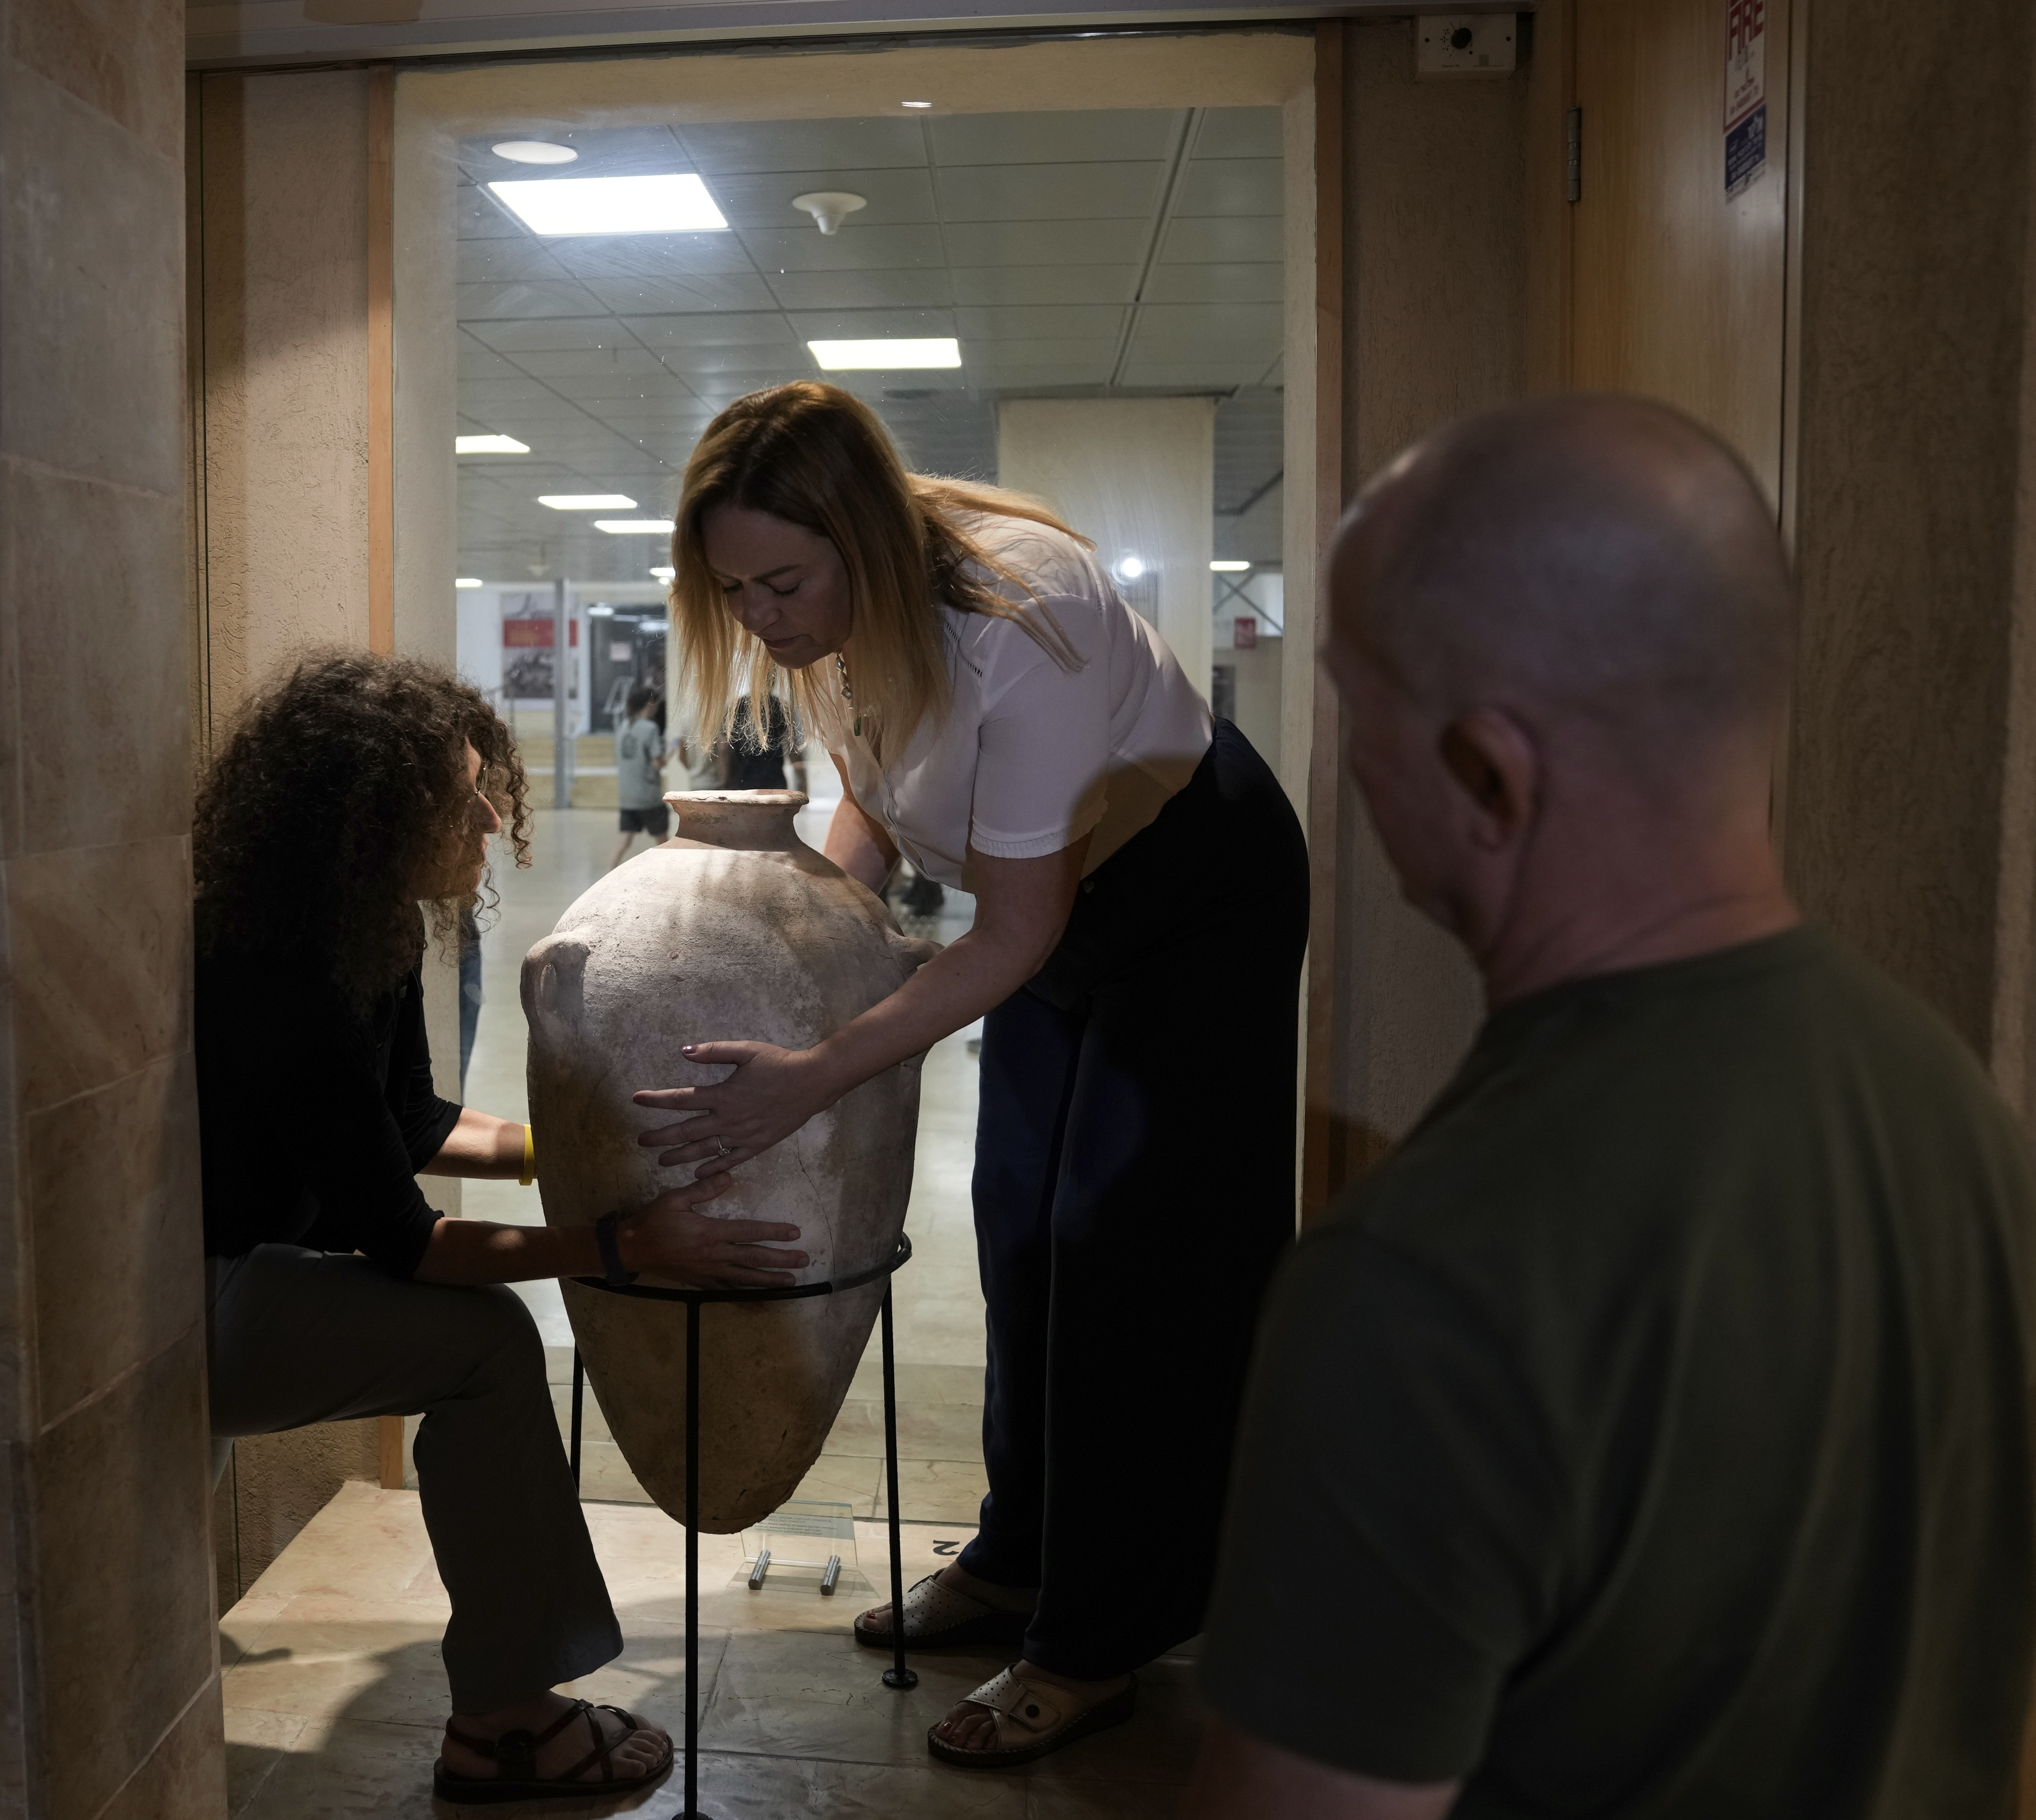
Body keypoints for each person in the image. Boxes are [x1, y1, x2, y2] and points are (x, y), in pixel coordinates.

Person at [1183, 396, 2036, 1819]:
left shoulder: (1420, 1276)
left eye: (1355, 704)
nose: (1349, 770)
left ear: (1482, 770)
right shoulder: (1946, 1098)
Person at [645, 381, 1309, 1767]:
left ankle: (1097, 1637)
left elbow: (1012, 928)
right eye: (733, 588)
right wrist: (801, 966)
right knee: (1015, 1222)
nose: (760, 615)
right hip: (1060, 911)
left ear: (863, 542)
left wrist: (815, 1070)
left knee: (1122, 1247)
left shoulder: (1025, 618)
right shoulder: (827, 618)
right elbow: (871, 822)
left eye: (780, 580)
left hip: (1192, 893)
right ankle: (1017, 1559)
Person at [193, 651, 816, 1804]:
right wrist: (625, 1241)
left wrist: (583, 1144)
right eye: (460, 793)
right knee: (483, 1341)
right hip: (189, 1305)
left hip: (244, 1267)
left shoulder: (354, 926)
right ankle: (505, 1725)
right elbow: (414, 1244)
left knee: (479, 1329)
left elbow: (415, 1121)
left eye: (486, 784)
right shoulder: (282, 968)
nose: (490, 813)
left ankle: (509, 1695)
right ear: (369, 813)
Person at [608, 685, 670, 868]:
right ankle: (669, 873)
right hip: (648, 795)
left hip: (628, 795)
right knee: (663, 842)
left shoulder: (623, 727)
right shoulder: (650, 728)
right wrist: (671, 753)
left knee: (624, 841)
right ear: (650, 704)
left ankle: (607, 875)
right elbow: (658, 763)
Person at [714, 691, 805, 794]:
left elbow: (725, 748)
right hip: (770, 780)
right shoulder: (781, 706)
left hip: (747, 781)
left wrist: (725, 781)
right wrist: (803, 780)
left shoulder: (737, 706)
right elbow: (793, 749)